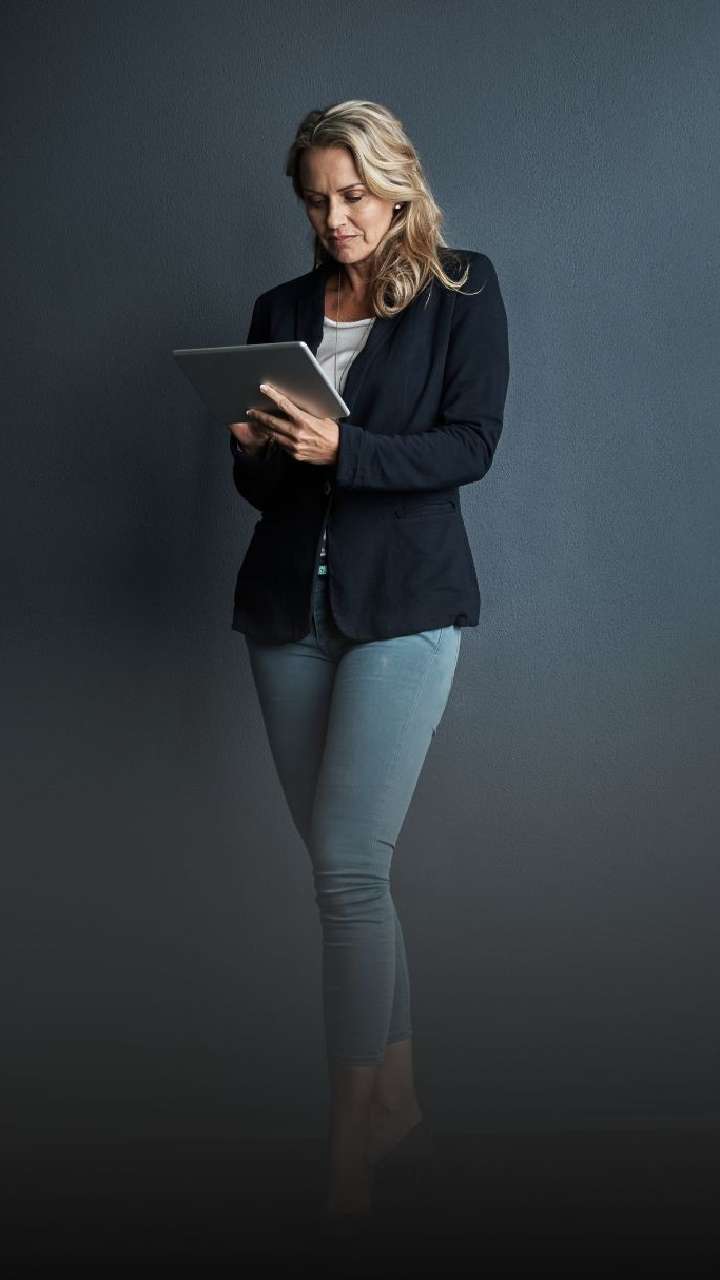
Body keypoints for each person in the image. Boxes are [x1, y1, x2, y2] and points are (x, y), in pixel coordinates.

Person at [227, 100, 510, 1227]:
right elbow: (263, 492)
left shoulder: (461, 289)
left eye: (352, 195)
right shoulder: (281, 310)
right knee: (344, 872)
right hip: (285, 610)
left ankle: (348, 1152)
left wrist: (344, 446)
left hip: (405, 604)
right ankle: (396, 1104)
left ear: (397, 185)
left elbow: (470, 445)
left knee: (348, 866)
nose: (335, 218)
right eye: (316, 200)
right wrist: (254, 449)